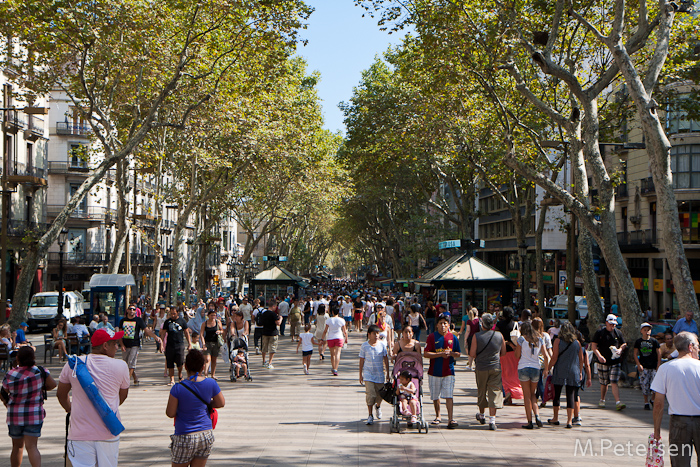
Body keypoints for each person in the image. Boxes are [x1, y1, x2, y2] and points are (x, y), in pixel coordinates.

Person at [56, 328, 130, 467]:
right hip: (108, 431)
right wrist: (105, 409)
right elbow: (123, 395)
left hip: (80, 434)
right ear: (105, 346)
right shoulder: (121, 366)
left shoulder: (74, 364)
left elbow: (61, 394)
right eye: (114, 343)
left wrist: (71, 409)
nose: (117, 347)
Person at [166, 349, 225, 467]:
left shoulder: (177, 388)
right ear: (203, 367)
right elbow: (221, 403)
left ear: (185, 367)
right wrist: (207, 403)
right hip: (205, 434)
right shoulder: (211, 383)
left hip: (184, 436)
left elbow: (170, 413)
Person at [2, 346, 57, 467]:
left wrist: (7, 402)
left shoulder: (11, 374)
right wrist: (40, 388)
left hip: (14, 416)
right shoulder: (40, 371)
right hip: (34, 415)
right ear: (33, 357)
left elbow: (3, 390)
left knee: (17, 446)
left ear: (17, 358)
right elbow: (53, 384)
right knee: (32, 447)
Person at [651, 332, 700, 466]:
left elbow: (658, 404)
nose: (699, 349)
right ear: (691, 346)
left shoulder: (665, 369)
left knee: (679, 463)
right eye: (698, 346)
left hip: (678, 423)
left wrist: (657, 431)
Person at [424, 313, 461, 429]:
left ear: (448, 325)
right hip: (434, 372)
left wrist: (451, 354)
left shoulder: (453, 337)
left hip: (449, 371)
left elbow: (458, 353)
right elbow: (426, 353)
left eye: (445, 323)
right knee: (435, 395)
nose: (443, 325)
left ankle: (450, 418)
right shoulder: (431, 337)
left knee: (449, 395)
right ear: (437, 325)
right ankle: (438, 415)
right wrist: (440, 354)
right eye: (441, 323)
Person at [470, 313, 505, 431]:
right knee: (494, 391)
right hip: (495, 366)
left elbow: (472, 354)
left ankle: (481, 414)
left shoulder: (477, 336)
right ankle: (492, 420)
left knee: (482, 390)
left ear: (482, 323)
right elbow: (503, 352)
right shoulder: (499, 335)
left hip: (481, 367)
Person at [547, 322, 583, 428]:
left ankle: (555, 418)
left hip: (560, 370)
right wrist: (580, 372)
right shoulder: (577, 343)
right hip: (573, 371)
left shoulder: (558, 341)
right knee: (571, 396)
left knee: (557, 394)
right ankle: (569, 421)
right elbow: (581, 359)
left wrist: (547, 368)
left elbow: (554, 358)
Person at [119, 305, 163, 386]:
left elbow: (146, 330)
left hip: (135, 344)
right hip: (125, 344)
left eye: (133, 309)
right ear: (127, 310)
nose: (132, 310)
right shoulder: (123, 321)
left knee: (131, 362)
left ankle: (127, 380)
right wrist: (121, 345)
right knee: (126, 363)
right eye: (130, 309)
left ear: (136, 311)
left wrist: (156, 337)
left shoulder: (138, 320)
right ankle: (135, 377)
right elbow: (120, 334)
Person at [515, 321, 548, 429]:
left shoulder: (521, 339)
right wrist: (546, 369)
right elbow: (546, 356)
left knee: (527, 396)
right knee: (533, 394)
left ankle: (529, 421)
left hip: (523, 367)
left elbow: (517, 355)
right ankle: (537, 415)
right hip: (536, 368)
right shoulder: (539, 339)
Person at [591, 314, 627, 410]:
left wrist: (620, 349)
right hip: (603, 361)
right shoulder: (600, 332)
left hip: (615, 361)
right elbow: (594, 346)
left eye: (614, 324)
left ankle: (618, 402)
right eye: (611, 324)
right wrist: (599, 356)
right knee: (604, 382)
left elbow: (624, 343)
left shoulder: (618, 333)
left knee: (614, 381)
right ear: (606, 323)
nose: (612, 326)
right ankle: (602, 399)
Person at [358, 324, 389, 425]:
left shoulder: (382, 345)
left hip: (380, 374)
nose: (376, 335)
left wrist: (388, 373)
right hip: (368, 374)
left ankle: (378, 407)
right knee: (370, 394)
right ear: (369, 334)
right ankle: (370, 415)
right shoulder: (364, 346)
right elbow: (361, 360)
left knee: (380, 395)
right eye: (374, 333)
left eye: (378, 333)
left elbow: (386, 359)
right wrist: (360, 374)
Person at [495, 306, 522, 404]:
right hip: (515, 352)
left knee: (505, 374)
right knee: (515, 374)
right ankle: (518, 391)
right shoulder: (515, 324)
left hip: (503, 352)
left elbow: (496, 337)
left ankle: (508, 393)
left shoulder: (499, 325)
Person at [162, 307, 193, 386]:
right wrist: (161, 344)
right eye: (171, 313)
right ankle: (172, 379)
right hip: (170, 345)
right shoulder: (167, 322)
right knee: (170, 362)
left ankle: (180, 374)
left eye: (174, 313)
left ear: (178, 313)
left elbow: (186, 332)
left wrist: (189, 343)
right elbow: (163, 333)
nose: (172, 315)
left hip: (179, 344)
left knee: (180, 362)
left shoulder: (182, 321)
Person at [634, 322, 661, 410]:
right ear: (641, 331)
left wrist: (658, 365)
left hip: (653, 366)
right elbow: (635, 353)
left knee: (655, 385)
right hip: (644, 366)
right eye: (645, 330)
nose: (647, 332)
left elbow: (659, 353)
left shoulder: (654, 341)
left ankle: (652, 399)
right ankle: (646, 402)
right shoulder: (638, 341)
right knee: (644, 384)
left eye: (648, 330)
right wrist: (638, 364)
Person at [321, 307, 349, 376]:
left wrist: (322, 338)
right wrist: (346, 338)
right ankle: (336, 369)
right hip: (339, 337)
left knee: (332, 354)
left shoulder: (329, 320)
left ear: (332, 312)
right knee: (338, 353)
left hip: (330, 338)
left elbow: (325, 330)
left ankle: (333, 367)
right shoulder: (342, 320)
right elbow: (344, 331)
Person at [200, 309, 224, 380]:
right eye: (211, 315)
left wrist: (220, 331)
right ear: (208, 315)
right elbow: (201, 334)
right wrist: (203, 344)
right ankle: (206, 375)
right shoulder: (204, 323)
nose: (213, 316)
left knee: (214, 359)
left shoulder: (218, 322)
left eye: (214, 315)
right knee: (207, 359)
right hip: (207, 343)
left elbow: (222, 330)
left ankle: (213, 375)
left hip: (215, 343)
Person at [260, 299, 281, 369]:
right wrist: (281, 318)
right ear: (273, 306)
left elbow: (261, 322)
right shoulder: (273, 314)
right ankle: (270, 362)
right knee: (272, 348)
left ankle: (263, 361)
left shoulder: (264, 313)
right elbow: (278, 323)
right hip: (273, 333)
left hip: (265, 332)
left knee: (264, 348)